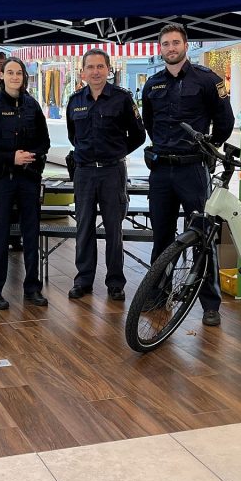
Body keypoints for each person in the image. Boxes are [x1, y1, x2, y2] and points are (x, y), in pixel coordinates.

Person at [142, 24, 234, 327]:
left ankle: (210, 304)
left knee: (202, 238)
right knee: (162, 238)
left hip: (193, 170)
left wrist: (209, 148)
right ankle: (158, 295)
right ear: (160, 48)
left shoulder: (208, 80)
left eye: (176, 43)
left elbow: (225, 121)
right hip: (161, 172)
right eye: (165, 43)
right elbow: (149, 121)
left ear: (185, 45)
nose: (171, 48)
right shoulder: (152, 84)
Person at [66, 49, 146, 302]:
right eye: (90, 67)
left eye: (101, 66)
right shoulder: (75, 100)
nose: (96, 72)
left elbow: (138, 135)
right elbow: (73, 136)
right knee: (84, 227)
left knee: (114, 229)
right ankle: (84, 279)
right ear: (83, 72)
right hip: (85, 173)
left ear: (109, 69)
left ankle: (115, 282)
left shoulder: (122, 99)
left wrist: (116, 152)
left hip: (112, 172)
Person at [0, 57, 50, 310]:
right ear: (1, 76)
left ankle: (32, 289)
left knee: (31, 234)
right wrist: (11, 157)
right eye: (10, 72)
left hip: (28, 179)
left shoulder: (33, 106)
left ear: (24, 77)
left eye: (19, 72)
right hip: (1, 180)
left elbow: (44, 142)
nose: (15, 76)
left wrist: (31, 156)